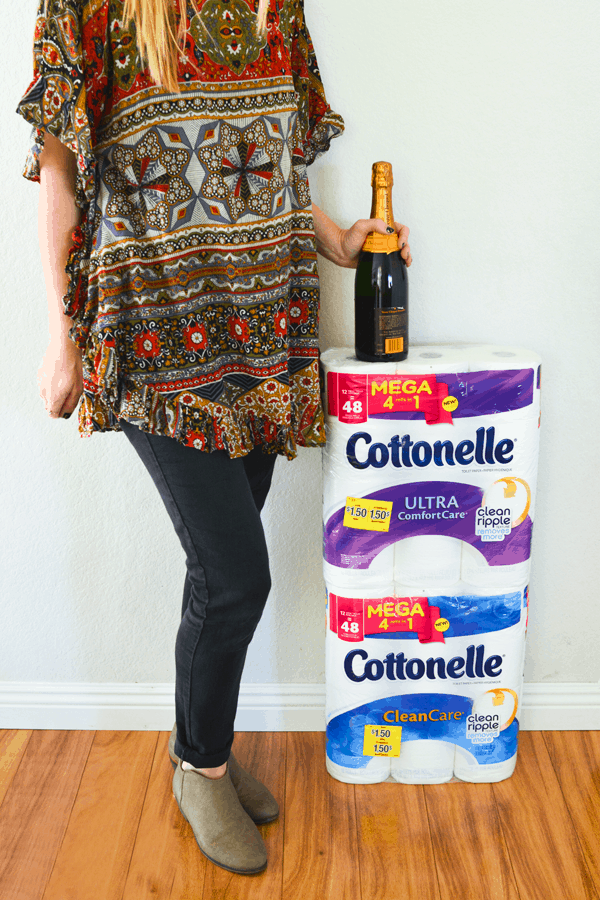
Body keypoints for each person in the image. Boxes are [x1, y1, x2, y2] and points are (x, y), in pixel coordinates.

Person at [16, 0, 412, 877]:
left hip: (266, 324)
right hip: (155, 328)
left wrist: (337, 240)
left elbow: (271, 160)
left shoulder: (277, 8)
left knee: (219, 574)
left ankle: (204, 751)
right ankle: (201, 769)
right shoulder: (90, 8)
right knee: (238, 578)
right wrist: (60, 335)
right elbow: (59, 171)